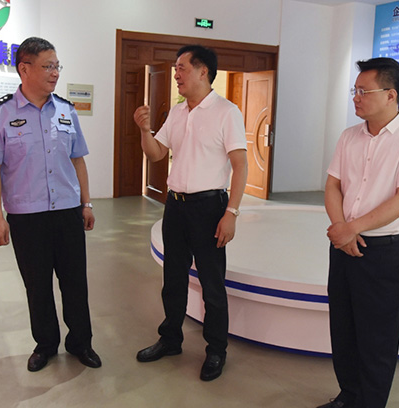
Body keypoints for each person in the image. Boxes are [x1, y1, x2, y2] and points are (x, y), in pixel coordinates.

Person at [0, 37, 101, 372]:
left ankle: (81, 343)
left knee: (75, 283)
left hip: (67, 213)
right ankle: (45, 344)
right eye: (48, 66)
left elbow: (78, 160)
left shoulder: (66, 110)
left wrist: (86, 203)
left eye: (57, 66)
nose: (55, 73)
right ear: (24, 69)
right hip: (27, 218)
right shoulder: (0, 114)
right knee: (37, 286)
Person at [321, 58, 399, 408]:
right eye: (354, 90)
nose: (356, 97)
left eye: (363, 91)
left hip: (384, 252)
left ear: (390, 95)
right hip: (343, 245)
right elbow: (333, 185)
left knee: (377, 338)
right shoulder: (349, 137)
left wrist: (351, 228)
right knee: (343, 329)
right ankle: (348, 396)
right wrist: (342, 229)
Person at [133, 45, 248, 381]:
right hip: (176, 206)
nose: (176, 74)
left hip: (209, 208)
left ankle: (216, 350)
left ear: (203, 71)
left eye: (181, 68)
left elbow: (240, 165)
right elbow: (156, 153)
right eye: (175, 68)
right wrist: (144, 130)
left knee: (212, 284)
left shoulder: (227, 112)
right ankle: (170, 339)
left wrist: (232, 213)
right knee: (173, 280)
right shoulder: (178, 112)